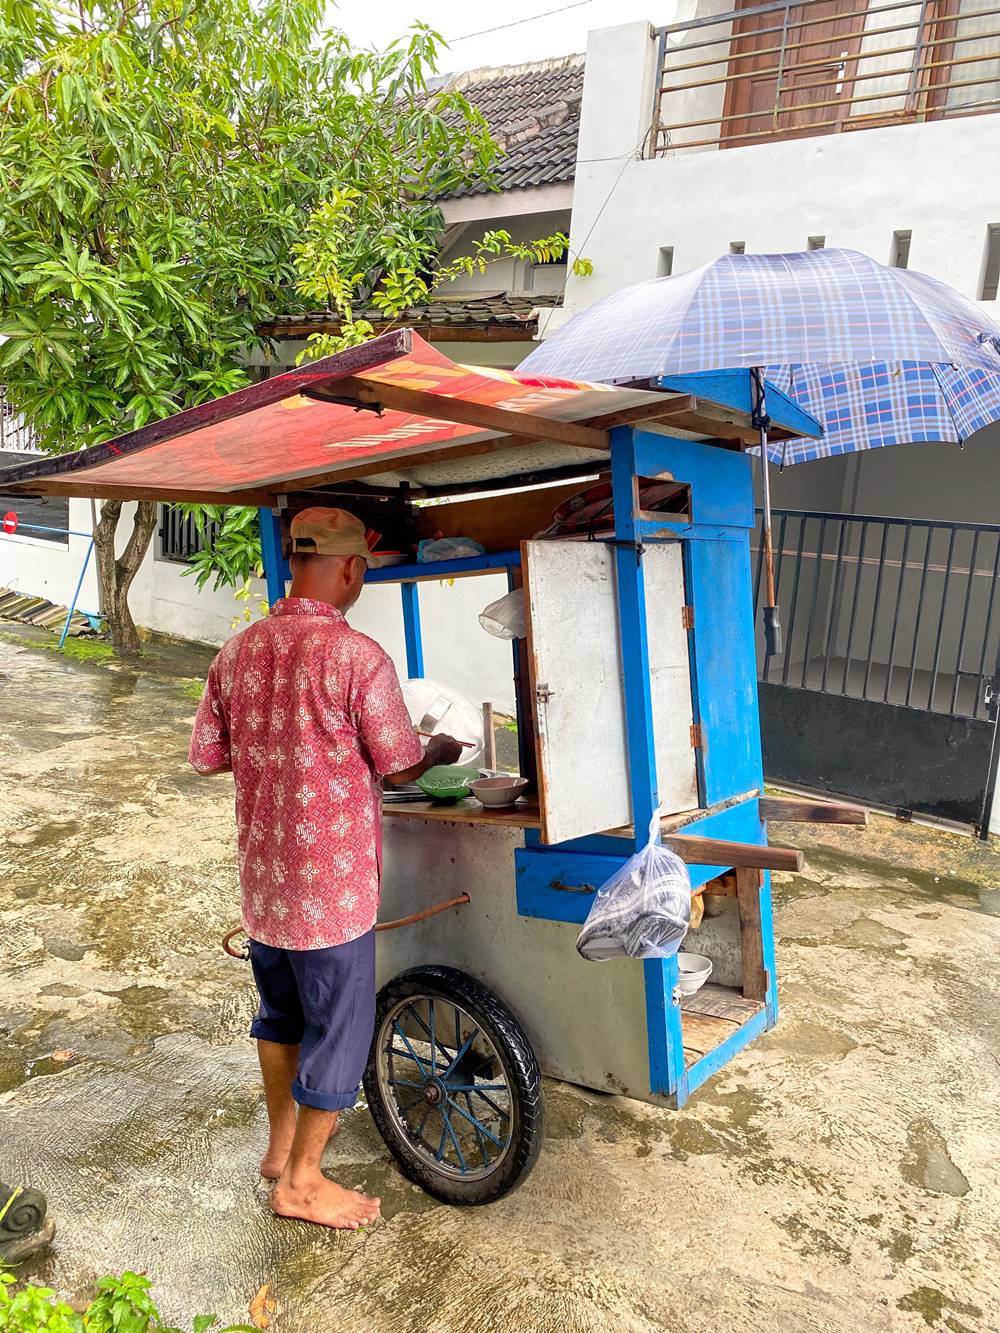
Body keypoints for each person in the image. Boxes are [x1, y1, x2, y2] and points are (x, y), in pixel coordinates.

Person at [188, 507, 462, 1230]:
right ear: (348, 568)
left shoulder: (237, 650)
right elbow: (400, 759)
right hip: (330, 891)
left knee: (280, 1014)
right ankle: (303, 1183)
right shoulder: (355, 656)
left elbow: (209, 755)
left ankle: (282, 1147)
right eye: (363, 569)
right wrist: (439, 747)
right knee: (339, 1031)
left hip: (266, 886)